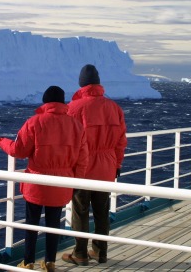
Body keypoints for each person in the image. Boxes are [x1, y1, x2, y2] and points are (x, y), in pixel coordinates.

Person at [0, 85, 89, 271]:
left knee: (32, 223)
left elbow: (19, 150)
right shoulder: (76, 125)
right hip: (62, 182)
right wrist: (75, 182)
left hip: (37, 183)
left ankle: (28, 262)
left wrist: (2, 141)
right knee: (53, 224)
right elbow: (83, 158)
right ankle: (49, 263)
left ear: (45, 102)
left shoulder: (34, 122)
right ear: (63, 102)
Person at [62, 64, 127, 266]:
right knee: (102, 211)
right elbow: (120, 141)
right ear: (98, 83)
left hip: (82, 167)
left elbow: (68, 141)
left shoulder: (73, 109)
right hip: (107, 166)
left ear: (81, 84)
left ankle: (80, 253)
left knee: (80, 210)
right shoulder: (114, 108)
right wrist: (117, 164)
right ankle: (100, 252)